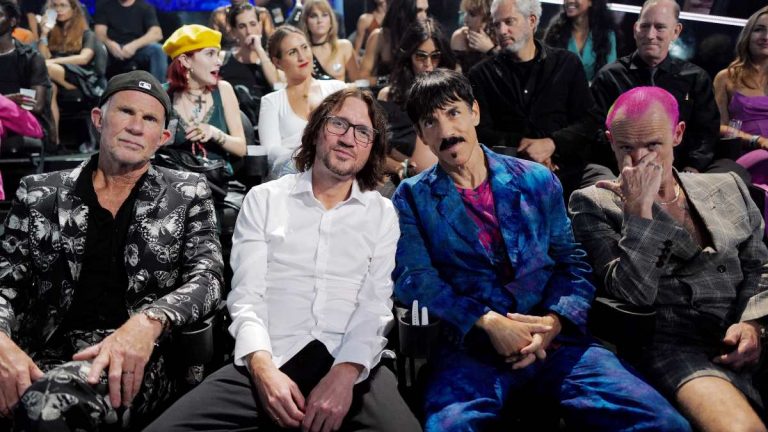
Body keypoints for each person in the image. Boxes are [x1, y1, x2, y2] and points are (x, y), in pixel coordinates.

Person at [392, 68, 690, 432]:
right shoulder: (413, 197)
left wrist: (553, 322)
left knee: (664, 423)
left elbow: (572, 264)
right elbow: (415, 280)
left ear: (475, 112)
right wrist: (488, 321)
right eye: (431, 122)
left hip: (555, 341)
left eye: (453, 113)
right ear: (421, 134)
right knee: (451, 426)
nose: (446, 130)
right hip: (470, 350)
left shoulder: (535, 178)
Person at [144, 87, 422, 432]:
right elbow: (246, 298)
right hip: (270, 356)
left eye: (363, 131)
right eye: (338, 124)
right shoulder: (264, 199)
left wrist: (346, 373)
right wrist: (263, 370)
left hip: (351, 361)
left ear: (371, 147)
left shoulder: (381, 213)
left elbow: (375, 307)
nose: (349, 138)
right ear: (317, 130)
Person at [1, 70, 223, 430]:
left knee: (49, 404)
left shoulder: (187, 192)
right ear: (98, 119)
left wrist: (150, 321)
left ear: (163, 138)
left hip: (138, 362)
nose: (136, 127)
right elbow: (5, 284)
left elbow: (208, 279)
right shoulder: (38, 191)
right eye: (126, 112)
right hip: (41, 355)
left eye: (149, 119)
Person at [569, 86, 768, 432]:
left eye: (652, 145)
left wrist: (754, 323)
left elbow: (759, 266)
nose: (639, 160)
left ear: (677, 134)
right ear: (611, 142)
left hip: (747, 328)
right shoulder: (593, 203)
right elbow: (633, 295)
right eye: (626, 148)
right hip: (675, 344)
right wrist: (638, 213)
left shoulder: (727, 185)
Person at [590, 0, 744, 181]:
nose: (650, 35)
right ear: (635, 29)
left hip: (681, 170)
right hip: (622, 168)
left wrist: (691, 169)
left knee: (733, 174)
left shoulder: (695, 78)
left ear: (676, 31)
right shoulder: (610, 76)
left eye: (660, 27)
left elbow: (706, 132)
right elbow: (596, 130)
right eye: (645, 26)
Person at [469, 0, 607, 198]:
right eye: (497, 24)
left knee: (605, 188)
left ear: (531, 21)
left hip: (568, 170)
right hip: (508, 175)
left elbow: (590, 120)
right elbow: (480, 131)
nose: (502, 31)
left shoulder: (566, 64)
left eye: (509, 22)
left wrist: (552, 144)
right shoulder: (481, 74)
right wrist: (525, 148)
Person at [161, 25, 247, 185]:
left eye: (218, 54)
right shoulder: (162, 94)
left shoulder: (224, 89)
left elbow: (241, 148)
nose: (219, 62)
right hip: (175, 183)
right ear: (186, 60)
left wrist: (214, 133)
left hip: (215, 182)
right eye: (210, 54)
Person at [259, 25, 345, 178]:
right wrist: (308, 156)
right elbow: (271, 152)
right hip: (292, 176)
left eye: (305, 47)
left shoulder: (337, 89)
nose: (302, 57)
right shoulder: (271, 102)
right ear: (277, 62)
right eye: (292, 52)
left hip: (337, 172)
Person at [713, 6, 768, 226]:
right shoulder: (726, 78)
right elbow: (717, 127)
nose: (765, 36)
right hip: (745, 156)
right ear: (747, 34)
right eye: (759, 29)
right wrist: (757, 140)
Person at [378, 18, 452, 179]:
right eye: (421, 56)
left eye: (435, 56)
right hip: (398, 178)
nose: (428, 64)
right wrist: (399, 167)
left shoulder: (451, 94)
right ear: (409, 56)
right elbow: (374, 151)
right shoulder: (389, 96)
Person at [38, 0, 106, 148]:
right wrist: (44, 34)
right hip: (55, 77)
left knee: (45, 67)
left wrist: (53, 61)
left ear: (74, 9)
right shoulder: (52, 34)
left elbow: (84, 58)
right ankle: (54, 141)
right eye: (55, 6)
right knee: (50, 88)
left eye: (63, 5)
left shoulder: (87, 34)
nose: (58, 9)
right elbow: (43, 57)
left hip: (82, 78)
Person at [0, 0, 52, 150]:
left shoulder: (30, 58)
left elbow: (36, 105)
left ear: (12, 21)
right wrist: (8, 100)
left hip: (25, 119)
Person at [220, 2, 281, 126]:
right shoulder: (223, 59)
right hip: (237, 125)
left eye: (253, 24)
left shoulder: (272, 59)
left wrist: (259, 50)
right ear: (234, 32)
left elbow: (276, 84)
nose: (249, 31)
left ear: (260, 26)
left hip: (271, 124)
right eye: (242, 26)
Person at [359, 0, 428, 87]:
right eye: (419, 10)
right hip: (386, 93)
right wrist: (388, 80)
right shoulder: (380, 37)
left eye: (426, 11)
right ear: (403, 11)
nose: (424, 16)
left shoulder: (427, 37)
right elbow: (362, 80)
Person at [543, 0, 617, 82]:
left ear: (590, 2)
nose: (570, 1)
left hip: (594, 89)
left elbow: (610, 76)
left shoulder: (606, 35)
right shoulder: (555, 33)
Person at [94, 0, 166, 81]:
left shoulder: (145, 7)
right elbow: (99, 33)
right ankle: (99, 86)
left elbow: (157, 34)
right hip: (111, 51)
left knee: (158, 50)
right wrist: (110, 45)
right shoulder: (105, 6)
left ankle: (158, 87)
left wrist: (134, 46)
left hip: (136, 51)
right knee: (98, 49)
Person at [301, 0, 357, 82]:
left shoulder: (344, 46)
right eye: (313, 16)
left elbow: (358, 82)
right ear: (306, 22)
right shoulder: (302, 53)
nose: (320, 20)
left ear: (331, 21)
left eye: (324, 15)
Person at [450, 0, 497, 76]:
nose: (465, 20)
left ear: (488, 18)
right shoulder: (460, 36)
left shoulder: (502, 38)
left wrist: (490, 50)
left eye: (472, 14)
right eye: (465, 13)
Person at [209, 0, 275, 50]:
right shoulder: (219, 15)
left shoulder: (262, 14)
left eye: (253, 24)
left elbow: (274, 42)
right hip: (228, 58)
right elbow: (212, 45)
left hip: (259, 55)